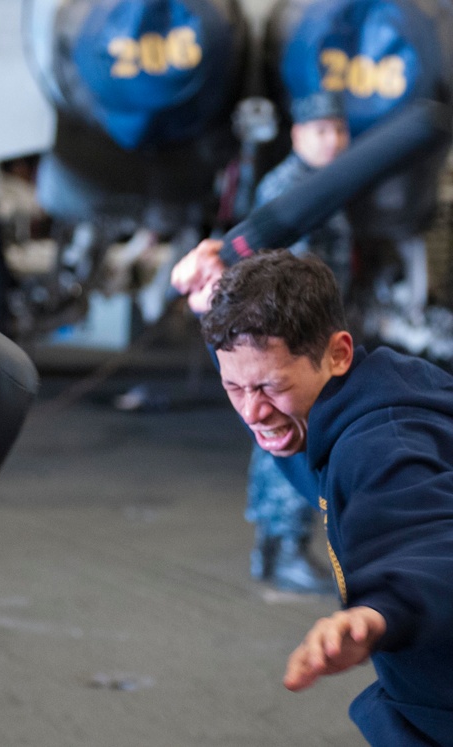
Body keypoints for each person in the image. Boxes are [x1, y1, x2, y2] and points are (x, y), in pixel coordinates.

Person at [200, 250, 453, 745]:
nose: (251, 411)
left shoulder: (386, 446)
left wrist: (377, 612)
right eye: (232, 387)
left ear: (338, 353)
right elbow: (305, 459)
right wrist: (204, 300)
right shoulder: (346, 414)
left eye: (269, 385)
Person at [174, 91, 352, 593]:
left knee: (282, 434)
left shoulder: (322, 187)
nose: (333, 141)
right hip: (289, 342)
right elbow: (280, 276)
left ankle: (276, 550)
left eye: (339, 131)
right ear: (297, 136)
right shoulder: (289, 191)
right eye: (320, 131)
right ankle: (285, 549)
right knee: (291, 435)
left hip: (310, 336)